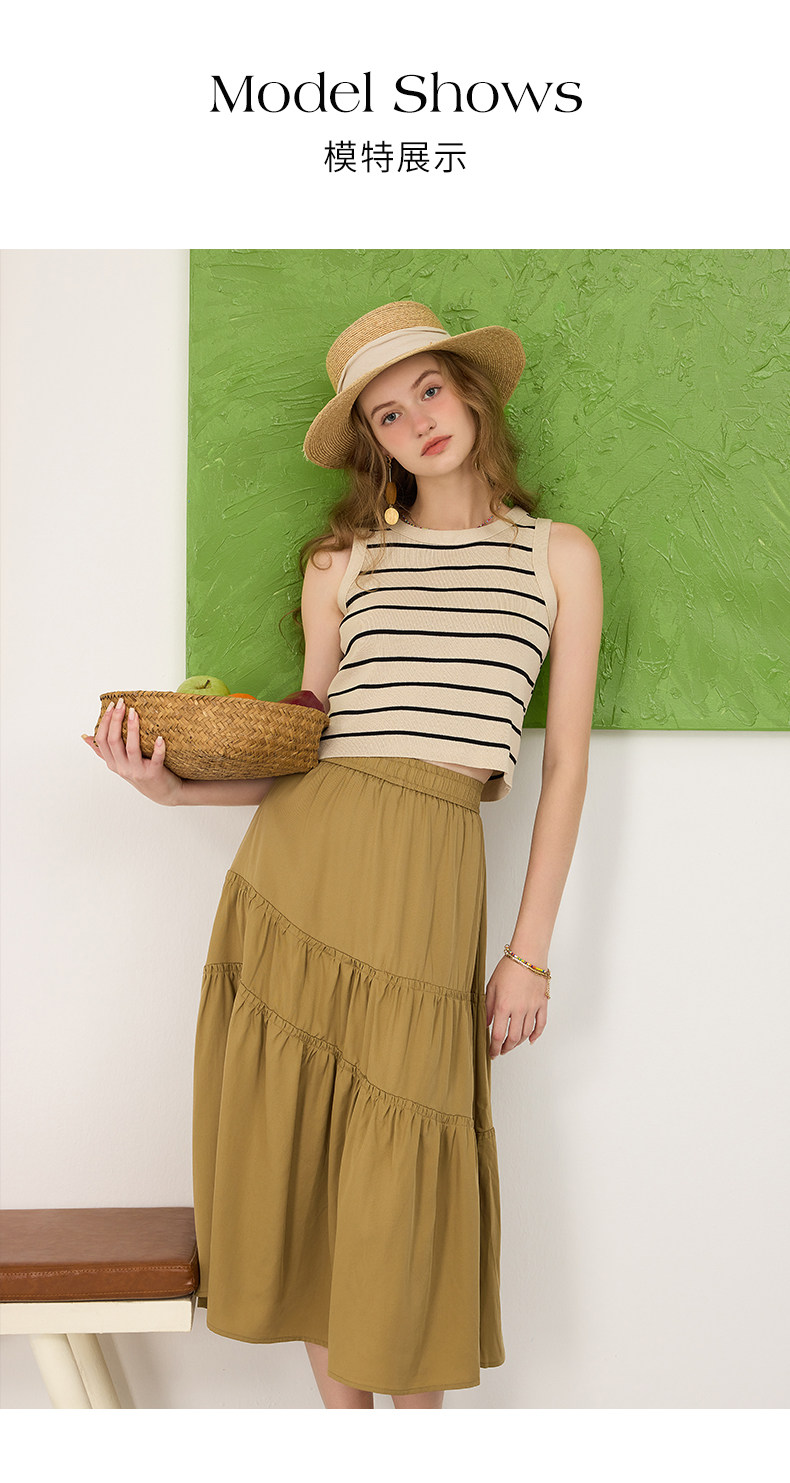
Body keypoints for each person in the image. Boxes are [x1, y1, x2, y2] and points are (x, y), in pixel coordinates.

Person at [83, 299, 603, 1409]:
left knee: (398, 1184)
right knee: (318, 1169)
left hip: (429, 878)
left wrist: (529, 952)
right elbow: (306, 747)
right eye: (387, 412)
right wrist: (173, 788)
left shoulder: (556, 555)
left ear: (470, 391)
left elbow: (564, 765)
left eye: (429, 389)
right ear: (373, 442)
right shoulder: (344, 562)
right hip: (301, 874)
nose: (418, 420)